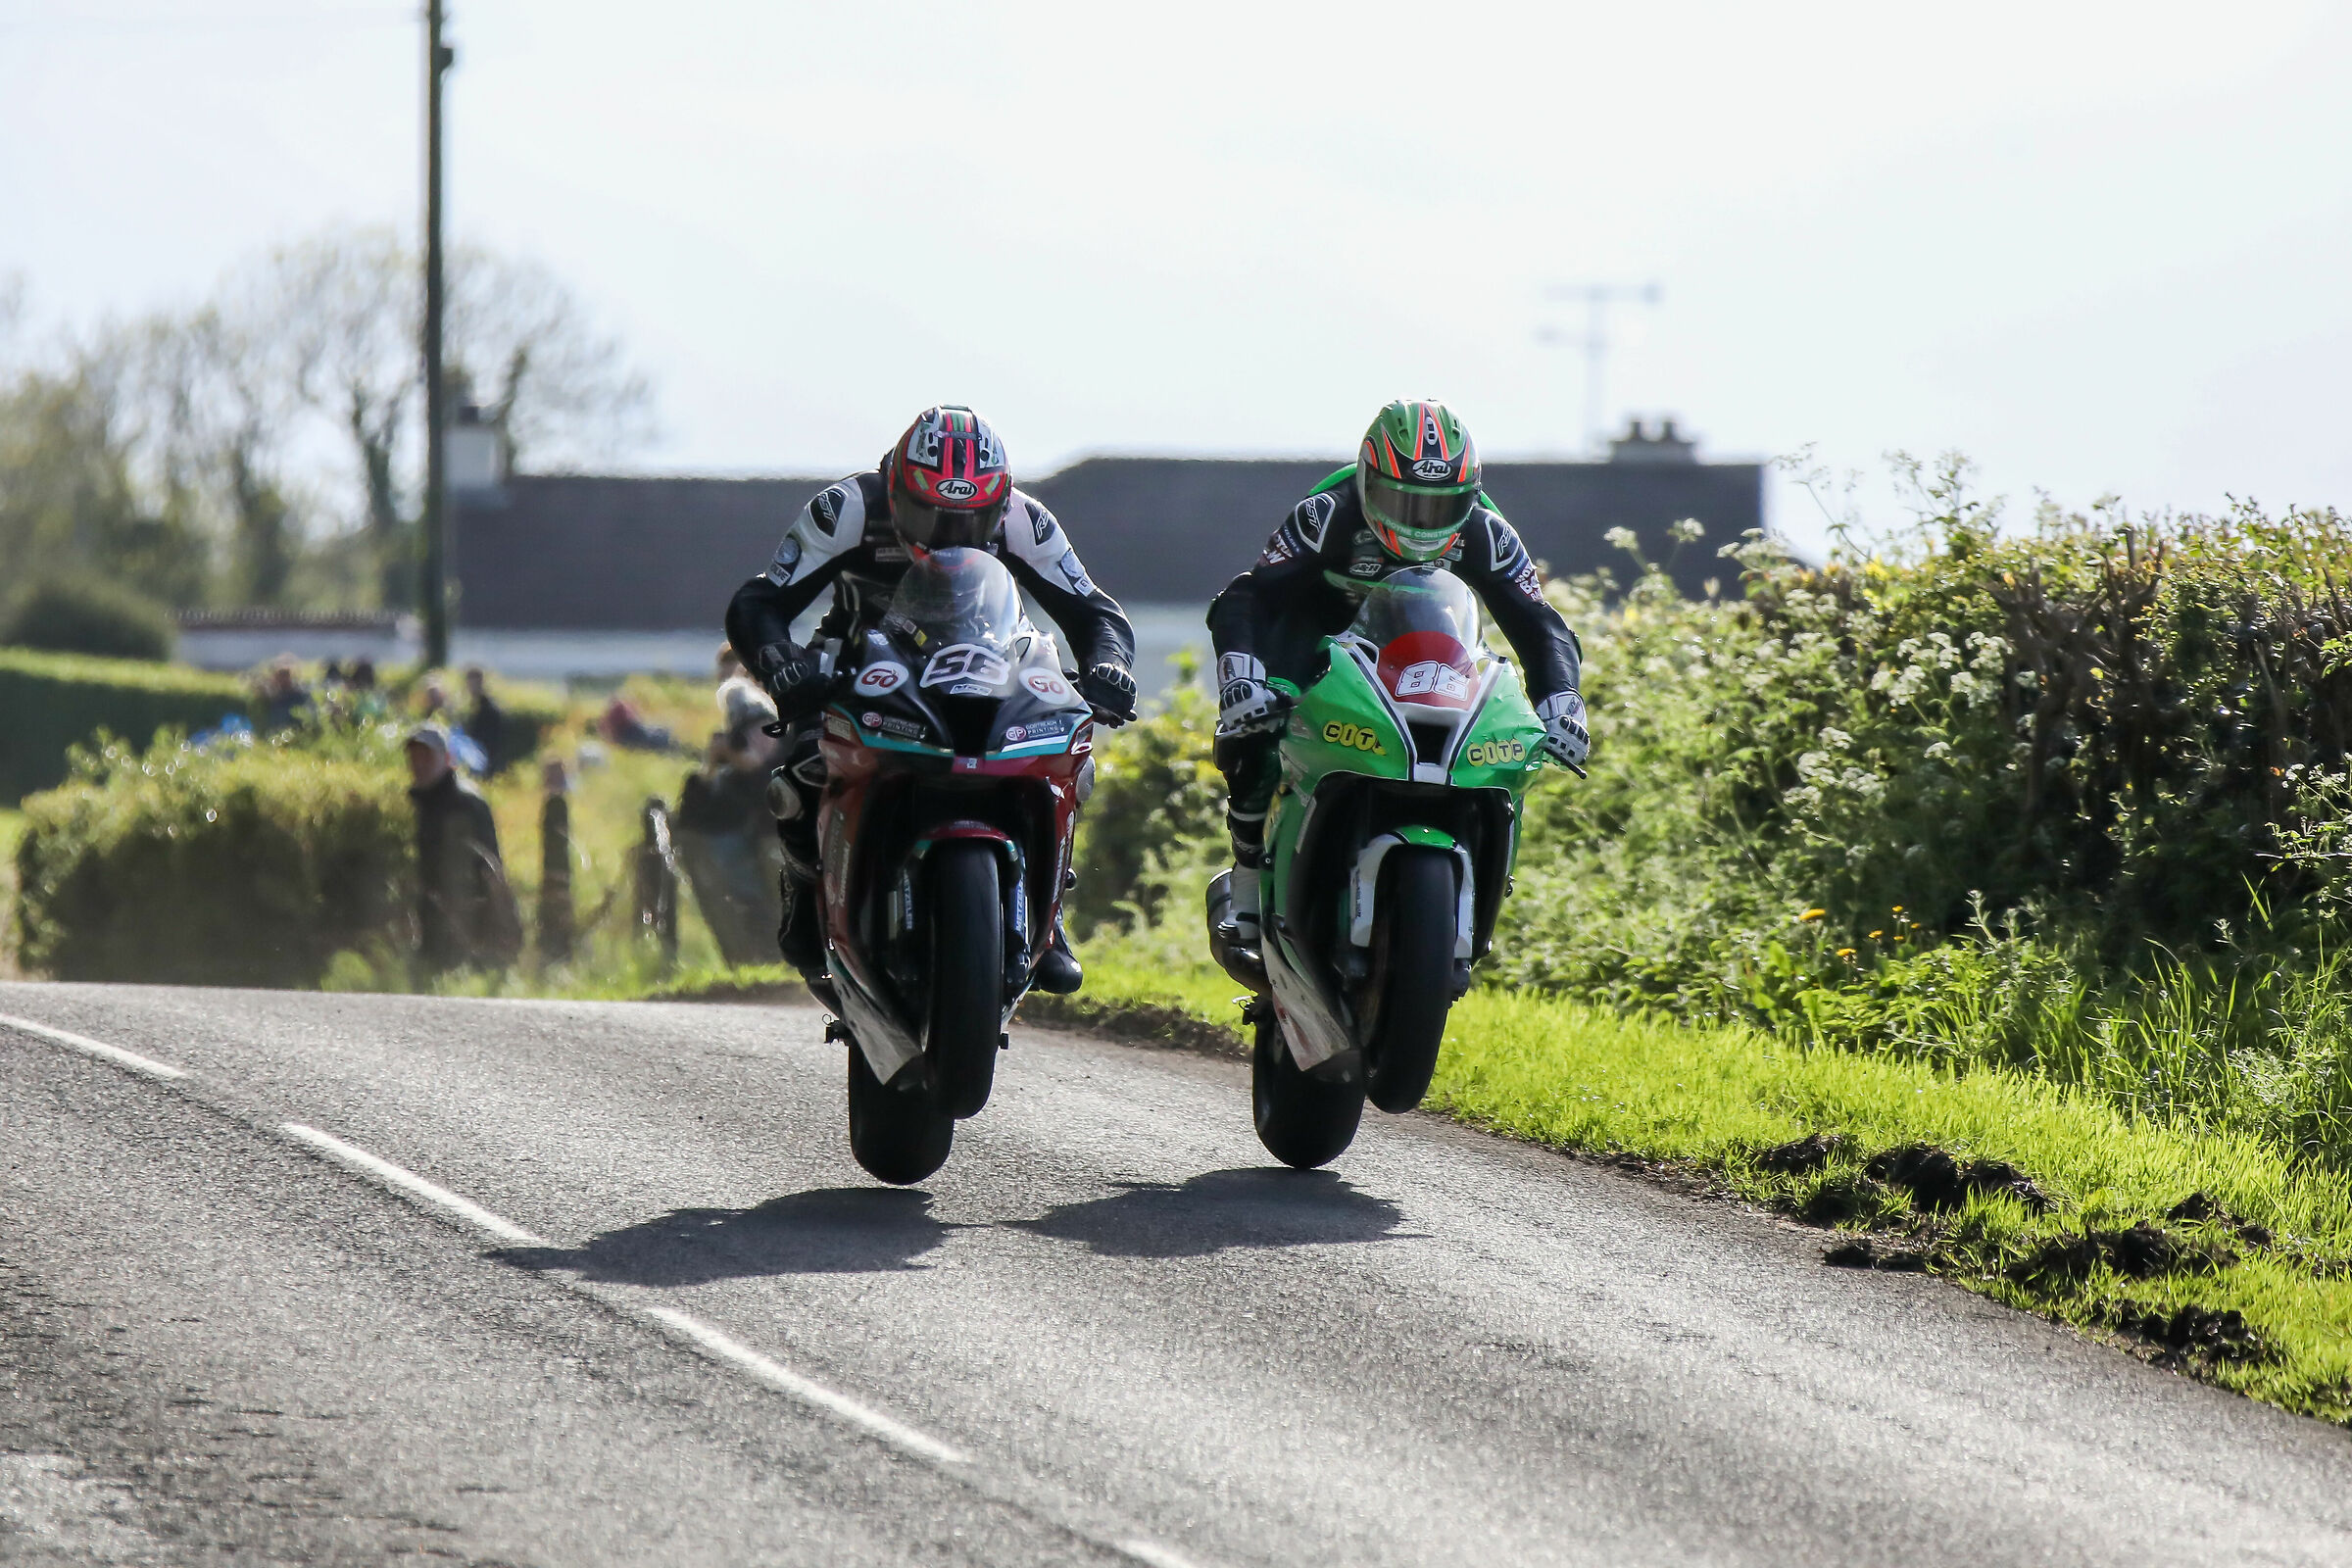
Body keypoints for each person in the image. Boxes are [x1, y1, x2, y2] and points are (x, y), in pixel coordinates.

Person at [725, 404, 1138, 994]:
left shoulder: (1027, 521)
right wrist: (782, 666)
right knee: (804, 770)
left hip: (987, 664)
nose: (949, 533)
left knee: (1068, 762)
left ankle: (1046, 917)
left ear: (999, 501)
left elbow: (1095, 611)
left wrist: (1108, 666)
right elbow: (760, 602)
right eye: (930, 512)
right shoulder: (848, 509)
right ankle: (804, 883)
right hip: (860, 663)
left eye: (969, 520)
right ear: (896, 488)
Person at [1205, 399, 1591, 944]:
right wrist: (1241, 672)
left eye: (1438, 509)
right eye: (1401, 502)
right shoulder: (1325, 514)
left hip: (1428, 643)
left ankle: (1486, 869)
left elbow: (1539, 623)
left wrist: (1563, 700)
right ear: (1367, 480)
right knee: (1253, 726)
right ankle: (1247, 879)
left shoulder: (1488, 533)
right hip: (1315, 632)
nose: (1418, 524)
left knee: (1508, 737)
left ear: (1469, 496)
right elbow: (1252, 595)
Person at [406, 723, 520, 974]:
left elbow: (489, 863)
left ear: (447, 759)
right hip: (432, 920)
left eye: (427, 756)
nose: (419, 763)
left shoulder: (467, 803)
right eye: (414, 756)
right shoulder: (420, 801)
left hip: (467, 921)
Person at [463, 666, 508, 773]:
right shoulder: (468, 706)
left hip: (484, 757)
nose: (471, 687)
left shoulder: (489, 707)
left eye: (474, 683)